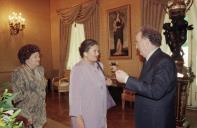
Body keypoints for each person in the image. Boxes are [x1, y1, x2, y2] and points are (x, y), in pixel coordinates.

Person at [115, 27, 177, 128]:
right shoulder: (150, 60)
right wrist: (128, 82)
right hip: (148, 117)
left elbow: (156, 91)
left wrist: (127, 79)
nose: (136, 46)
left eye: (137, 42)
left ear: (147, 43)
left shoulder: (164, 61)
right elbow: (146, 84)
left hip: (156, 120)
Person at [69, 39, 115, 128]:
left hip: (100, 108)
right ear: (85, 53)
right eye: (94, 51)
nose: (98, 53)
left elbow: (94, 81)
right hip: (87, 111)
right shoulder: (78, 69)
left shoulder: (99, 65)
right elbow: (74, 95)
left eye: (98, 51)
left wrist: (106, 82)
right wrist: (78, 117)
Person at [11, 44, 47, 128]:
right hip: (27, 111)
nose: (39, 59)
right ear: (26, 58)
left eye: (39, 56)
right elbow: (17, 97)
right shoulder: (18, 72)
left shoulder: (40, 70)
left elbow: (42, 89)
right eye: (35, 56)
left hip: (40, 111)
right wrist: (25, 116)